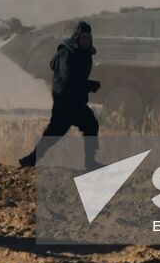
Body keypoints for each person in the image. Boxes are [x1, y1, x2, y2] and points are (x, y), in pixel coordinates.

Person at [18, 21, 101, 169]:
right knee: (55, 132)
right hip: (64, 101)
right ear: (77, 37)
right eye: (83, 38)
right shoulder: (67, 53)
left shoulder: (85, 53)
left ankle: (90, 162)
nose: (86, 41)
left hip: (76, 101)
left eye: (88, 38)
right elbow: (68, 79)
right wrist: (89, 85)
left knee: (91, 124)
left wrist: (87, 86)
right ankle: (31, 159)